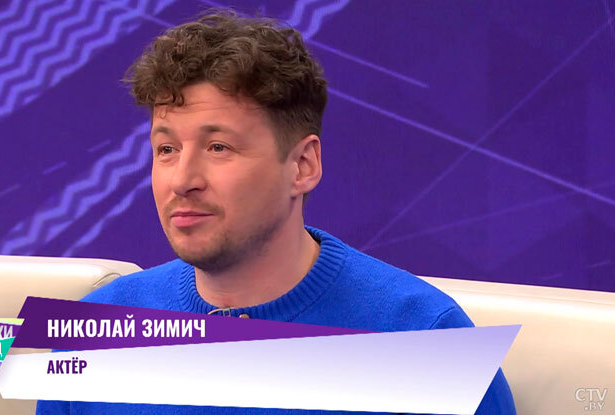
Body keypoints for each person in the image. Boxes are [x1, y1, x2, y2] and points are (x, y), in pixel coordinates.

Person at [37, 10, 515, 415]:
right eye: (166, 149)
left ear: (302, 166)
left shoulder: (425, 339)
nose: (182, 179)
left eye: (218, 147)